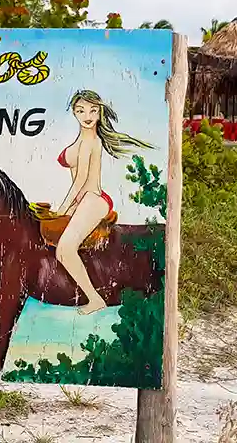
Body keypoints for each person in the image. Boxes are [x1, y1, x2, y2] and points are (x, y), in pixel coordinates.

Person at [55, 89, 154, 315]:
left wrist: (63, 209)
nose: (87, 115)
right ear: (74, 113)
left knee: (64, 249)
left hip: (93, 199)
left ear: (100, 112)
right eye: (80, 110)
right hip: (83, 199)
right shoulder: (81, 138)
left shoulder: (92, 140)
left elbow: (82, 180)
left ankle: (94, 298)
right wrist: (70, 207)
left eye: (92, 110)